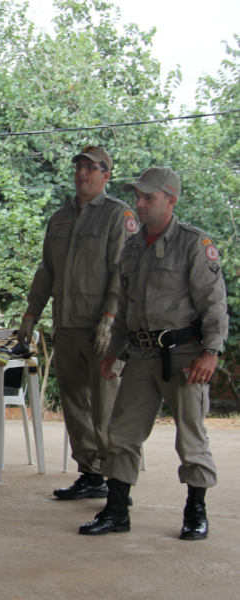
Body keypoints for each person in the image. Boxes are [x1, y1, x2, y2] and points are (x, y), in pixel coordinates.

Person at [79, 167, 227, 540]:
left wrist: (211, 351)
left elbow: (214, 305)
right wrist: (114, 352)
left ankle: (196, 511)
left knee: (190, 437)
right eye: (138, 197)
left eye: (149, 198)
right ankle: (116, 511)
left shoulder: (193, 243)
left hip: (185, 356)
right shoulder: (133, 247)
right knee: (121, 435)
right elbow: (125, 309)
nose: (140, 204)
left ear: (171, 200)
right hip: (141, 356)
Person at [18, 146, 138, 500]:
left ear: (106, 175)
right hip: (66, 326)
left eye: (91, 167)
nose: (82, 173)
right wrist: (30, 315)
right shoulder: (60, 218)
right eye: (79, 167)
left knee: (106, 409)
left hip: (103, 331)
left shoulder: (118, 215)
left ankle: (117, 482)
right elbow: (46, 272)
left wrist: (110, 318)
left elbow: (123, 273)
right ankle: (91, 475)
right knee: (74, 405)